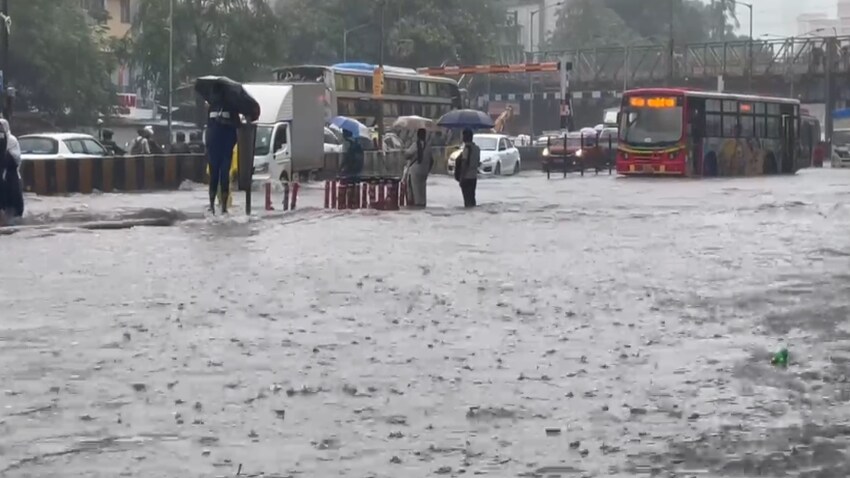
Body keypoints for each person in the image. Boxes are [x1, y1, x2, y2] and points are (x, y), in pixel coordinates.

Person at [205, 101, 240, 214]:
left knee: (224, 177)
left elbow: (237, 125)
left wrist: (224, 122)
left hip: (225, 149)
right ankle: (211, 205)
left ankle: (224, 206)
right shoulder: (212, 107)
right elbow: (209, 127)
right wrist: (208, 144)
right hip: (213, 149)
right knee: (213, 177)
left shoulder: (231, 107)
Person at [404, 128, 433, 208]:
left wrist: (406, 148)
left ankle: (418, 205)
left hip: (415, 170)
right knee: (423, 189)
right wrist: (427, 169)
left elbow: (407, 155)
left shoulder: (415, 145)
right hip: (424, 170)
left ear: (418, 135)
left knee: (416, 190)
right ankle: (423, 204)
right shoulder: (428, 146)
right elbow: (431, 160)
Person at [0, 119, 23, 219]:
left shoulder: (11, 140)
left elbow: (15, 158)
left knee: (14, 195)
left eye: (1, 127)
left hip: (11, 173)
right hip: (2, 173)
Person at [454, 128, 480, 208]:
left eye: (463, 136)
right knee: (472, 198)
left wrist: (461, 178)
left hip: (467, 177)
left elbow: (464, 163)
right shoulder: (477, 149)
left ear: (466, 137)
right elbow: (478, 162)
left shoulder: (467, 148)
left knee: (467, 200)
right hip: (474, 177)